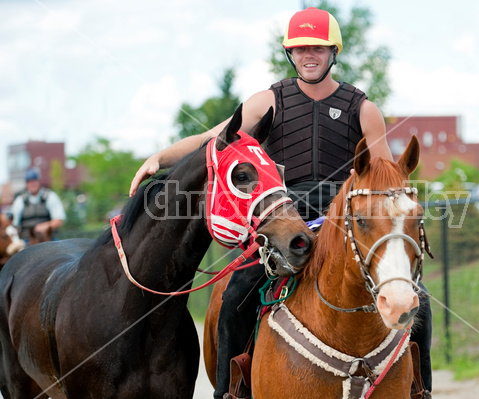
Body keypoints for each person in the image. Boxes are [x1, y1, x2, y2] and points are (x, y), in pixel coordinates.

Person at [129, 7, 432, 398]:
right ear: (290, 53)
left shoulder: (364, 108)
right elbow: (215, 137)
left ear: (333, 52)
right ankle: (229, 390)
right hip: (283, 222)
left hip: (341, 225)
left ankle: (421, 389)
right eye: (301, 48)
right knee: (235, 295)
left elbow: (382, 176)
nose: (309, 55)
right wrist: (160, 158)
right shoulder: (269, 100)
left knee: (419, 306)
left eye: (318, 49)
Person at [11, 167, 66, 245]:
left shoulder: (50, 196)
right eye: (29, 181)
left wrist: (46, 226)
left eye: (34, 180)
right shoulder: (20, 200)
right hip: (27, 240)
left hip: (49, 239)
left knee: (61, 252)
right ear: (26, 184)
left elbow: (59, 220)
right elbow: (14, 224)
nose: (32, 184)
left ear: (38, 181)